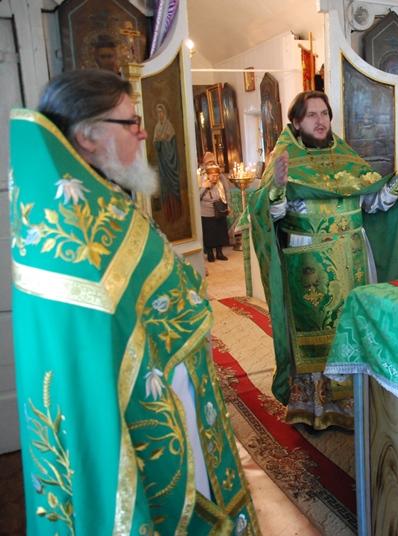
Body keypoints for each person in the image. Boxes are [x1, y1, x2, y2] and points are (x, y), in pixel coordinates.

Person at [9, 69, 259, 534]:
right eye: (131, 122)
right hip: (143, 406)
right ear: (87, 135)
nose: (143, 133)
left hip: (171, 389)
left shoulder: (97, 201)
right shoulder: (71, 230)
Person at [249, 90, 398, 430]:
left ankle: (355, 403)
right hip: (309, 262)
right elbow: (271, 215)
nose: (320, 121)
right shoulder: (285, 163)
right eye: (311, 115)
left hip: (355, 259)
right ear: (296, 123)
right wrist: (277, 188)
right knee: (318, 336)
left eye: (324, 114)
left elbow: (374, 204)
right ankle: (316, 407)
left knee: (353, 330)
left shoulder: (347, 159)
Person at [153, 102, 182, 222]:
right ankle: (168, 215)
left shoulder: (169, 126)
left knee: (172, 186)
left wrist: (163, 140)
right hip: (162, 163)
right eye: (158, 112)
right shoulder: (157, 127)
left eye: (162, 111)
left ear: (165, 112)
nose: (160, 114)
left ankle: (176, 213)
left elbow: (172, 145)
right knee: (164, 186)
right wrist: (161, 139)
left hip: (171, 163)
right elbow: (156, 143)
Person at [200, 163, 231, 262]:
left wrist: (228, 204)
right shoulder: (201, 179)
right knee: (209, 233)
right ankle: (210, 253)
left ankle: (219, 253)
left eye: (217, 176)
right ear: (208, 175)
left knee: (220, 232)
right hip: (206, 211)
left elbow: (226, 191)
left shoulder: (221, 178)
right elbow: (196, 196)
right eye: (213, 176)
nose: (215, 178)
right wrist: (204, 187)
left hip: (220, 209)